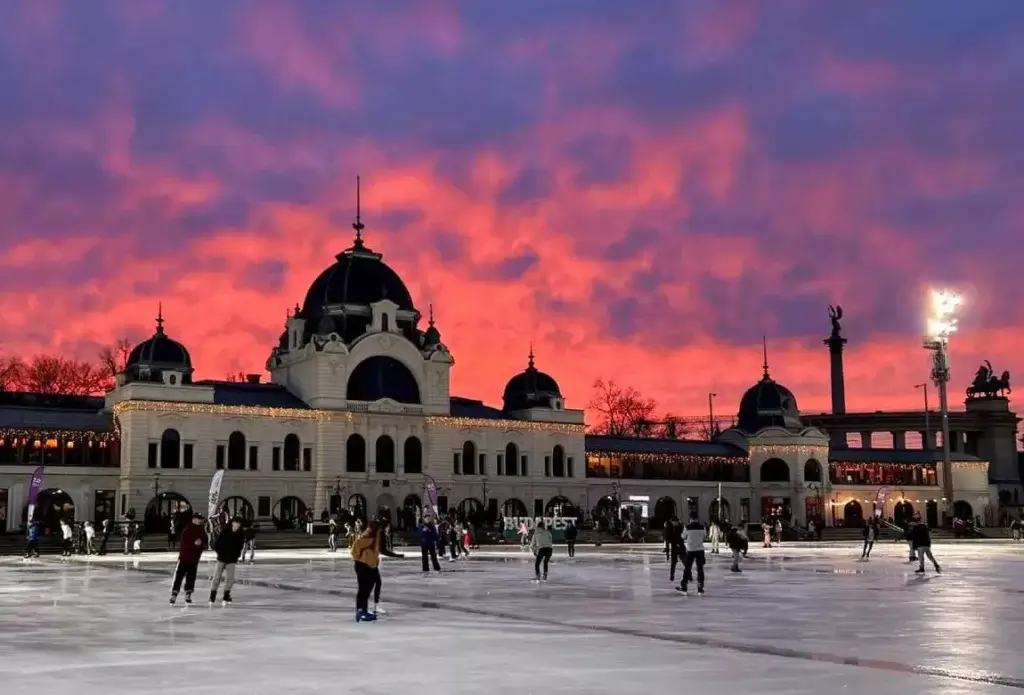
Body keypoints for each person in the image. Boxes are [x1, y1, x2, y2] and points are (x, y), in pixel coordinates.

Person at [170, 513, 208, 606]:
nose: (200, 521)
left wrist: (201, 543)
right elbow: (184, 544)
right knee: (179, 576)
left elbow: (205, 541)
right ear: (194, 520)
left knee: (191, 577)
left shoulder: (201, 530)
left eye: (201, 519)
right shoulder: (187, 529)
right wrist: (194, 544)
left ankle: (188, 594)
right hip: (184, 557)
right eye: (198, 519)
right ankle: (174, 594)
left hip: (194, 558)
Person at [210, 516, 245, 605]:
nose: (236, 525)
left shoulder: (241, 535)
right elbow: (217, 544)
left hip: (232, 560)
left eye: (238, 524)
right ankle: (213, 594)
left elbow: (240, 547)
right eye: (235, 523)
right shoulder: (225, 532)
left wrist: (237, 556)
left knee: (230, 578)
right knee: (217, 577)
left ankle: (226, 594)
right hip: (221, 558)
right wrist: (220, 553)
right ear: (232, 523)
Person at [372, 517, 404, 615]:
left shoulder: (376, 532)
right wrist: (397, 555)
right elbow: (383, 550)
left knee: (373, 583)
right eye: (388, 527)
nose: (389, 529)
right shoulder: (380, 534)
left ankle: (370, 607)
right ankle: (373, 607)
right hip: (369, 561)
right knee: (377, 583)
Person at [350, 522, 380, 622]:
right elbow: (355, 549)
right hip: (363, 565)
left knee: (366, 589)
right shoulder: (368, 536)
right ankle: (361, 611)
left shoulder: (372, 535)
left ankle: (363, 611)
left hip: (368, 565)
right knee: (364, 589)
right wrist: (361, 559)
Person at [678, 514, 706, 595]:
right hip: (700, 550)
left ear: (690, 519)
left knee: (687, 568)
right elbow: (704, 536)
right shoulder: (702, 527)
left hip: (690, 550)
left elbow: (683, 536)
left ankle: (684, 587)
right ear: (697, 519)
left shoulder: (687, 527)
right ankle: (700, 588)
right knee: (700, 568)